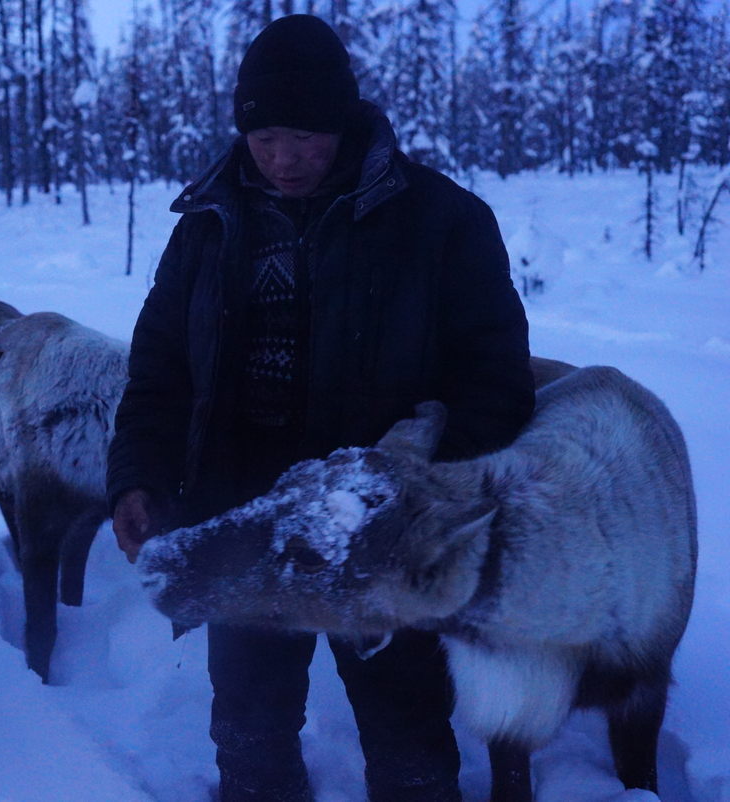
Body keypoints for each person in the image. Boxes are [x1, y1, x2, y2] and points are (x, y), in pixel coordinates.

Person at [105, 14, 536, 802]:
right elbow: (160, 371)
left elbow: (496, 377)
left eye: (305, 136)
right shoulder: (207, 225)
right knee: (247, 720)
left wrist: (414, 487)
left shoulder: (442, 222)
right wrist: (138, 477)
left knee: (406, 723)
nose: (285, 160)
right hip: (244, 516)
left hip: (378, 527)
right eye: (265, 139)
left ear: (343, 120)